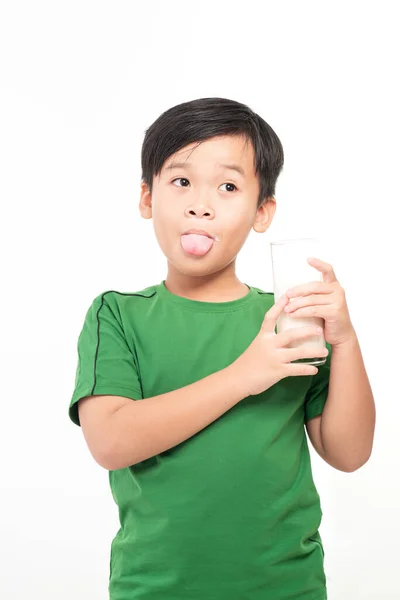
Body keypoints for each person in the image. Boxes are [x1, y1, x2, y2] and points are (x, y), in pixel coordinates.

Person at [68, 97, 375, 600]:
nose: (200, 205)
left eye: (228, 187)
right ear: (147, 198)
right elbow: (111, 441)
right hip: (155, 588)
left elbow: (349, 452)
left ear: (262, 212)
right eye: (181, 181)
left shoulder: (288, 317)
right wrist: (244, 375)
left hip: (287, 586)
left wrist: (344, 339)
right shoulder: (117, 315)